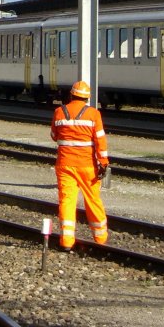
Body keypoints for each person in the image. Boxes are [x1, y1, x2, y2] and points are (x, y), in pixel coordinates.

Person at [50, 80, 109, 251]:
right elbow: (100, 141)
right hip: (87, 166)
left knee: (67, 200)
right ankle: (100, 237)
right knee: (93, 199)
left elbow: (54, 135)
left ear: (71, 95)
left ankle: (67, 241)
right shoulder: (93, 115)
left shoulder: (59, 112)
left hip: (65, 165)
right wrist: (103, 163)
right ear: (87, 98)